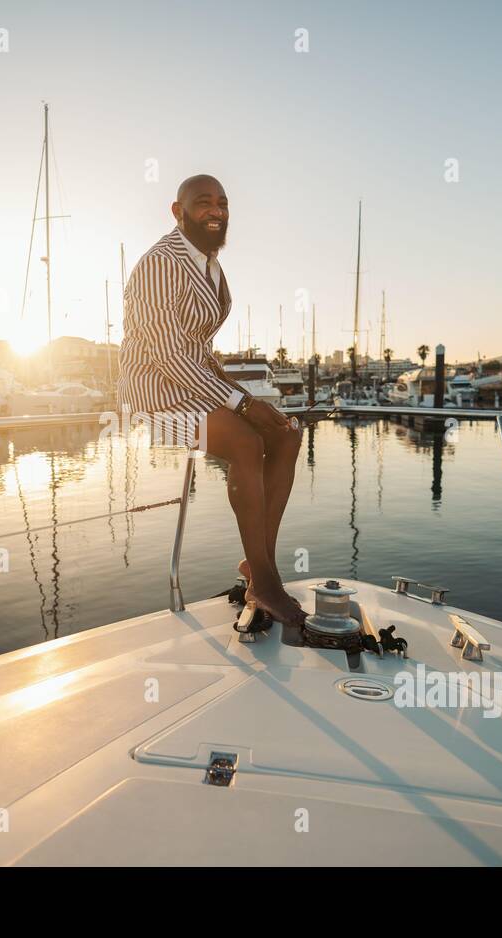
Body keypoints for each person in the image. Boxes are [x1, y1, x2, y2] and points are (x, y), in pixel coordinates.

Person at [117, 174, 306, 627]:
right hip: (156, 390)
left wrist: (244, 398)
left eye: (222, 202)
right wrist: (241, 405)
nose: (216, 211)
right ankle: (265, 581)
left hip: (196, 382)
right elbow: (167, 353)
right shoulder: (161, 262)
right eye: (203, 202)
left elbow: (197, 349)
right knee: (244, 441)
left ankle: (259, 568)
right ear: (177, 211)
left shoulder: (210, 265)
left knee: (286, 435)